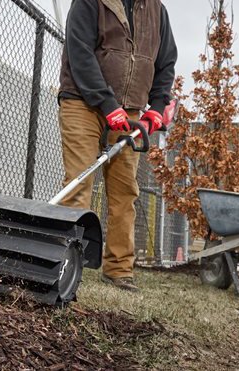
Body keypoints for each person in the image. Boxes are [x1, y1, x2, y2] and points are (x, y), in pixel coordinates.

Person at [58, 0, 177, 291]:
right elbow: (80, 52)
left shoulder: (157, 11)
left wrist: (157, 106)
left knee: (125, 191)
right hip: (82, 102)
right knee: (79, 181)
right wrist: (107, 103)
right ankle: (62, 261)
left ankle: (119, 269)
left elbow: (165, 64)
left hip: (131, 112)